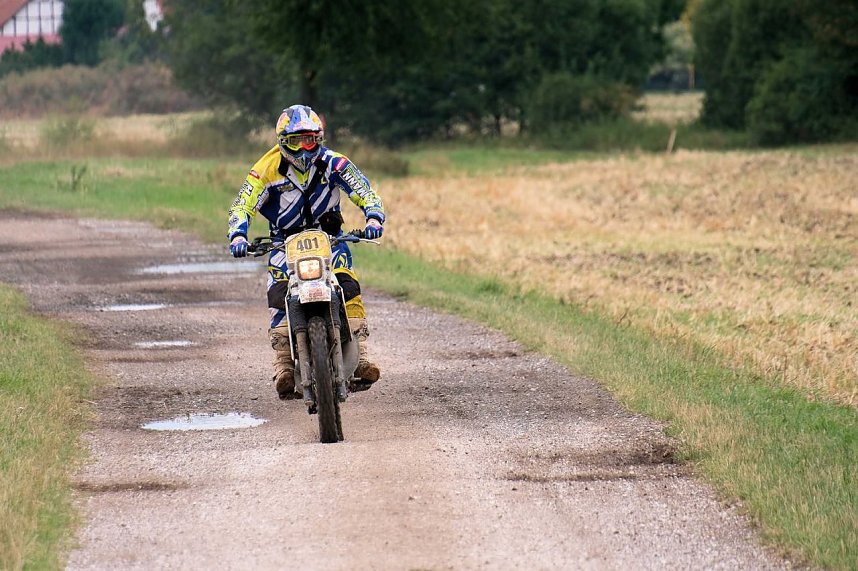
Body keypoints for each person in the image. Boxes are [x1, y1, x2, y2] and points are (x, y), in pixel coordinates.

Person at [227, 104, 385, 400]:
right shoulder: (265, 169)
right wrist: (238, 235)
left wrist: (374, 218)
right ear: (283, 141)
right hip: (283, 242)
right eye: (296, 141)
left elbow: (364, 191)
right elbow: (242, 205)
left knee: (348, 286)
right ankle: (283, 364)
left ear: (319, 139)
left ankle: (361, 355)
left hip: (330, 239)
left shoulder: (335, 163)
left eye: (310, 140)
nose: (303, 149)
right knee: (278, 294)